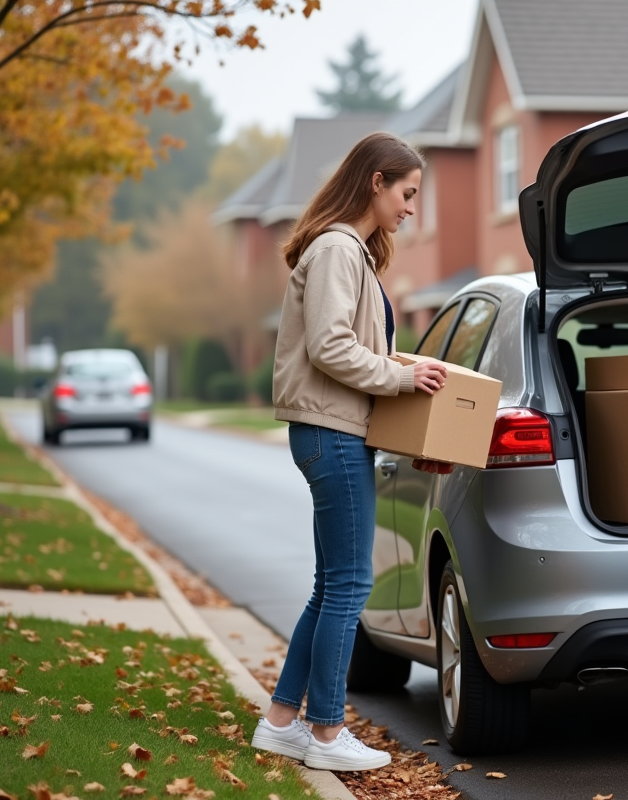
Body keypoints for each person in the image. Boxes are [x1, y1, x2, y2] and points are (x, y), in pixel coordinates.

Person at [250, 132, 449, 771]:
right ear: (375, 182)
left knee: (330, 585)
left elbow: (349, 347)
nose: (411, 208)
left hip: (332, 431)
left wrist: (402, 377)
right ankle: (328, 733)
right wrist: (402, 377)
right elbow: (331, 347)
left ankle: (282, 722)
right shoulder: (338, 248)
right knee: (351, 585)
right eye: (406, 193)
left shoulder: (348, 250)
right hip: (331, 434)